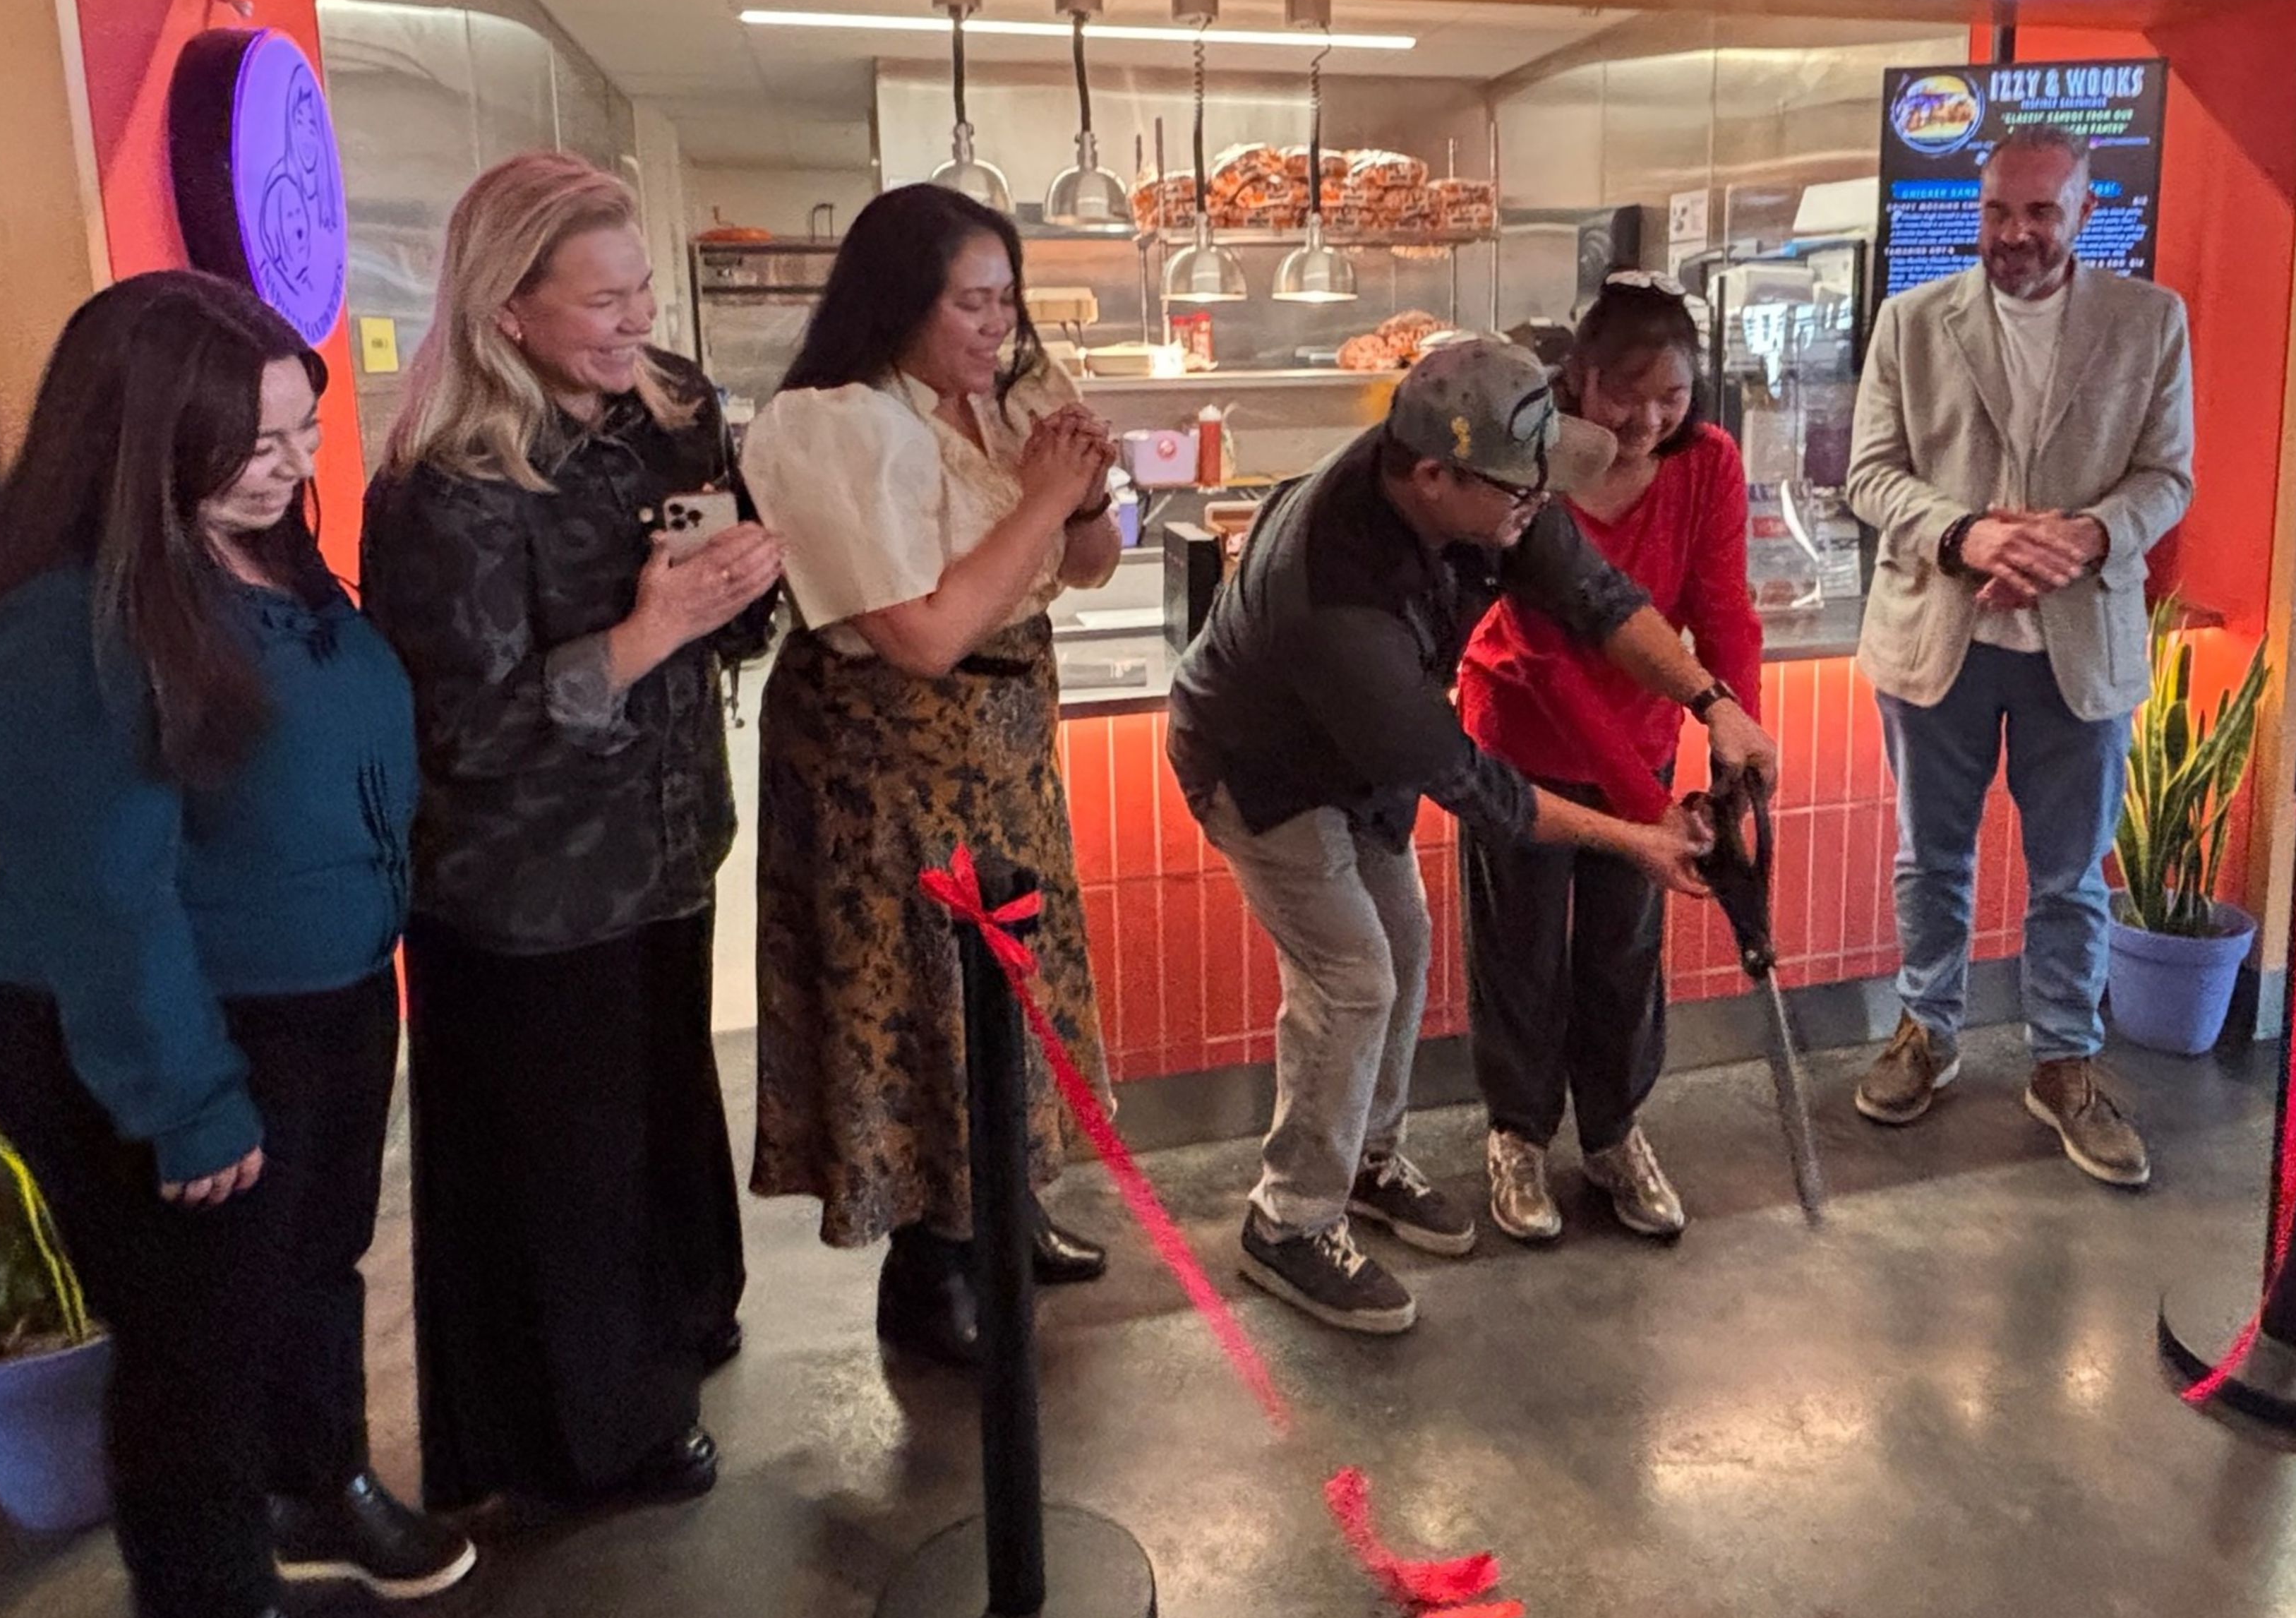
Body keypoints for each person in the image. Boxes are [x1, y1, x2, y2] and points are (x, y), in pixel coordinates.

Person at [0, 272, 466, 1618]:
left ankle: (319, 1484)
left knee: (314, 1268)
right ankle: (217, 1610)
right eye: (253, 442)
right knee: (196, 1327)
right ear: (140, 436)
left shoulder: (269, 561)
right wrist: (183, 1094)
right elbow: (101, 894)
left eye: (303, 430)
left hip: (325, 992)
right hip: (170, 1022)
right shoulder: (67, 621)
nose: (291, 465)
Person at [1167, 335, 1781, 1335]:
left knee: (1402, 948)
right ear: (1432, 476)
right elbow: (1476, 785)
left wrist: (1716, 703)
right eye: (1518, 495)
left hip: (1357, 764)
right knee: (1352, 978)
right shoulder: (1336, 596)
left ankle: (1364, 1160)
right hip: (1262, 772)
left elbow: (1601, 601)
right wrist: (1638, 839)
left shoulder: (1500, 491)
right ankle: (1289, 1221)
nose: (1540, 508)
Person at [363, 154, 782, 1514]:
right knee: (564, 1174)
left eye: (643, 288)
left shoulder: (671, 412)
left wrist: (747, 582)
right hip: (529, 891)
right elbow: (467, 730)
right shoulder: (447, 487)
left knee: (662, 1116)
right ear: (507, 314)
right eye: (602, 300)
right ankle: (589, 1441)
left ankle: (681, 1324)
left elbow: (719, 578)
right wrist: (651, 628)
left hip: (665, 846)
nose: (636, 323)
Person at [742, 183, 1121, 1367]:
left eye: (1008, 300)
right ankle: (931, 1264)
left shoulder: (1001, 409)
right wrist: (1048, 497)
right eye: (973, 302)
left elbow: (1091, 566)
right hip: (889, 767)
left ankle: (1002, 1205)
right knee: (922, 1002)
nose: (997, 326)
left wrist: (1091, 490)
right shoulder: (831, 424)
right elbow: (922, 635)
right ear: (899, 300)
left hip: (1003, 751)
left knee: (1012, 988)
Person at [1846, 124, 2195, 1186]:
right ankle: (1927, 1032)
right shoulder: (1912, 322)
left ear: (2086, 212)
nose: (2018, 233)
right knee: (1930, 858)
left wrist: (2078, 539)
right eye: (2000, 210)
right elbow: (1871, 473)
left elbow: (2167, 476)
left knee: (2069, 876)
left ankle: (2063, 1062)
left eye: (2042, 211)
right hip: (1940, 636)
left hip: (2077, 644)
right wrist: (1969, 536)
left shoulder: (2151, 321)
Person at [1457, 277, 1764, 1244]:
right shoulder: (1533, 465)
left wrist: (1735, 745)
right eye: (1626, 396)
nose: (1647, 421)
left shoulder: (1708, 463)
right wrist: (1642, 815)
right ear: (1580, 381)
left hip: (1642, 733)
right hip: (1521, 733)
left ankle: (1615, 1132)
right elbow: (1545, 655)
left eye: (1672, 398)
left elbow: (1722, 611)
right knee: (1523, 947)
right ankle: (1517, 1133)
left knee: (1625, 952)